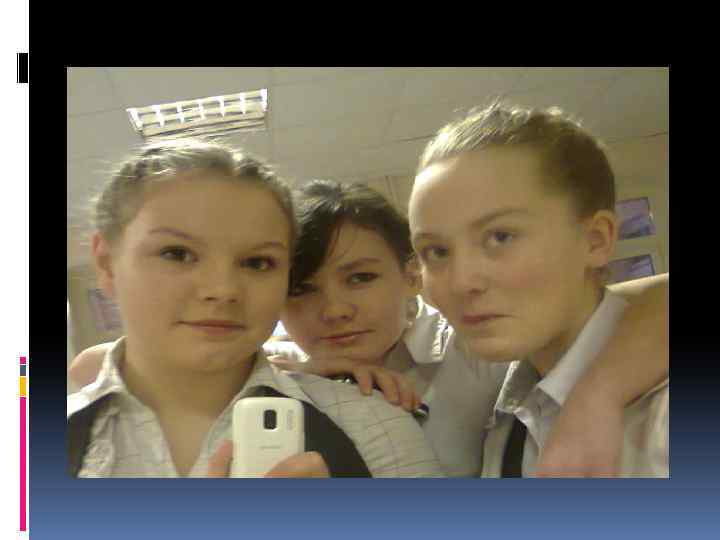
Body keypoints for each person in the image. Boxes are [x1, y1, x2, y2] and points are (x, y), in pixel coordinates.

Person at [70, 177, 668, 477]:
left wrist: (595, 398)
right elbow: (97, 365)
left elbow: (648, 299)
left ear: (410, 274)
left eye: (360, 278)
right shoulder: (286, 376)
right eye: (302, 289)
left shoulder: (478, 343)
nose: (333, 311)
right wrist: (307, 379)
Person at [66, 138, 443, 478]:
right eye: (177, 254)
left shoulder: (372, 426)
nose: (223, 290)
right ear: (106, 264)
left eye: (257, 262)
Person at [409, 102, 669, 477]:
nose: (461, 282)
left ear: (595, 240)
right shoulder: (506, 413)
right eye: (436, 252)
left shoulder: (661, 421)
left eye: (500, 236)